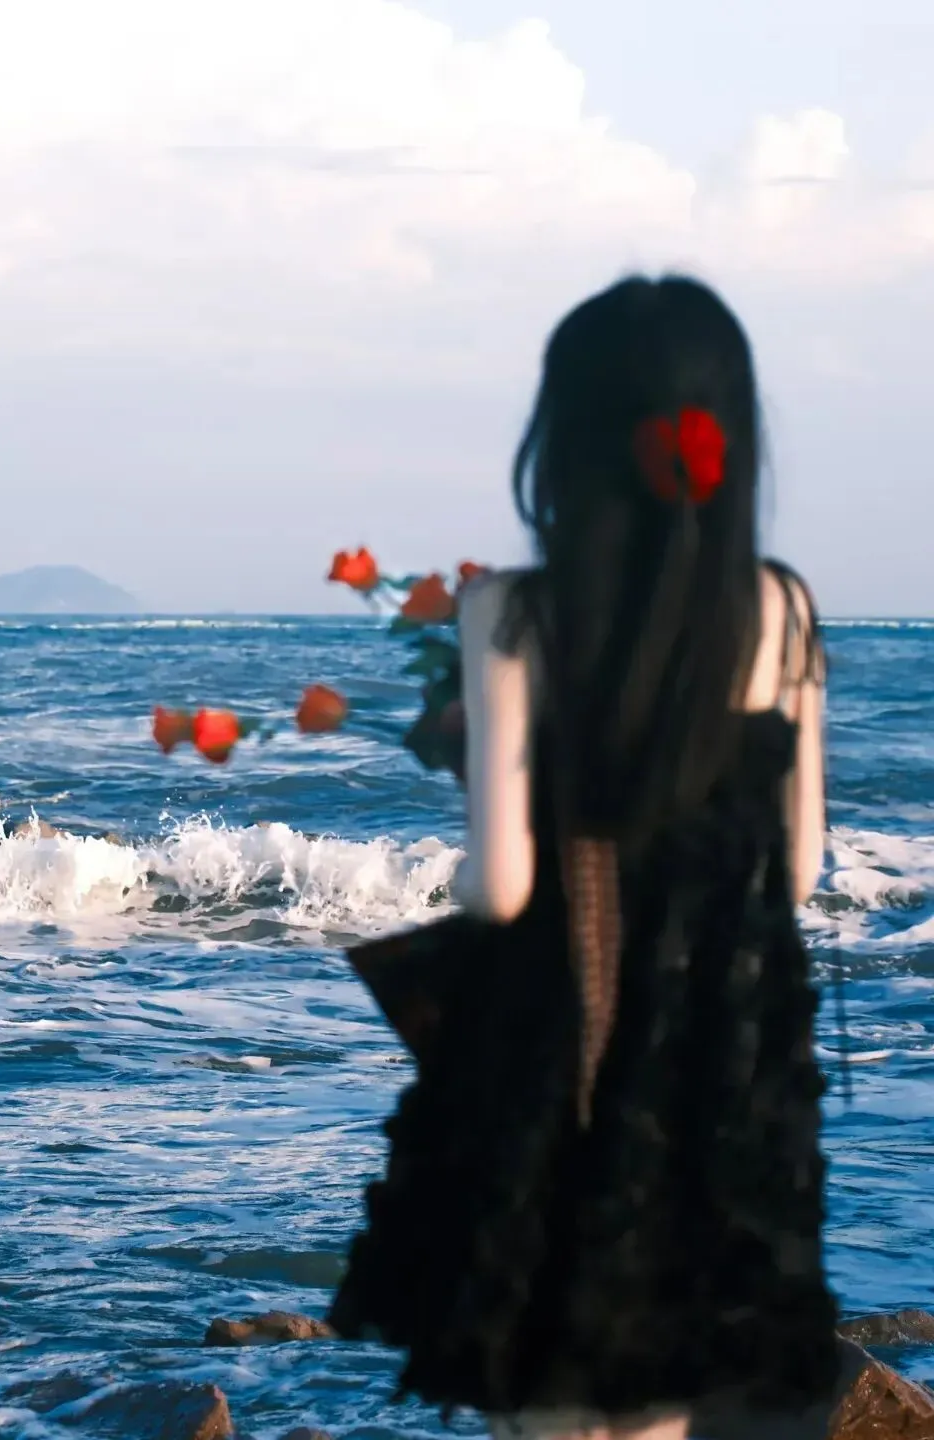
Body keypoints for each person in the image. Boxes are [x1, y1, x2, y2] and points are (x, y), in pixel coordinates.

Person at [329, 275, 840, 1440]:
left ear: (564, 446)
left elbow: (501, 886)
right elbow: (800, 868)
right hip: (724, 1076)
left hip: (563, 1063)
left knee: (559, 1399)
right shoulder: (784, 610)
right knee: (679, 1395)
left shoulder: (511, 614)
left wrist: (471, 765)